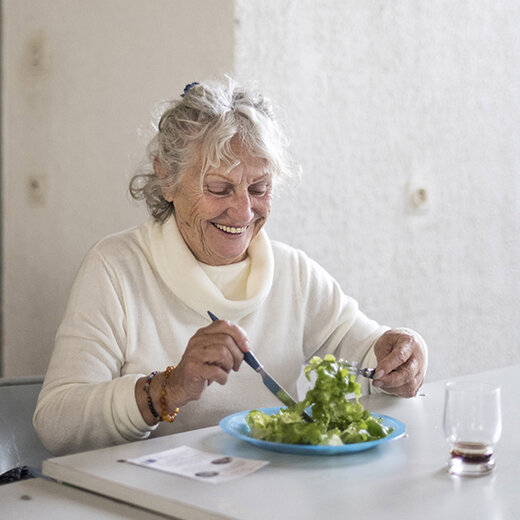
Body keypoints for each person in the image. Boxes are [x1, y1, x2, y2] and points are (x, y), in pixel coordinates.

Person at [33, 79, 428, 456]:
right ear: (166, 180)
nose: (242, 212)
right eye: (219, 188)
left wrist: (403, 354)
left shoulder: (293, 273)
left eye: (259, 189)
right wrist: (168, 389)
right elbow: (55, 423)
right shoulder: (116, 269)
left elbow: (368, 350)